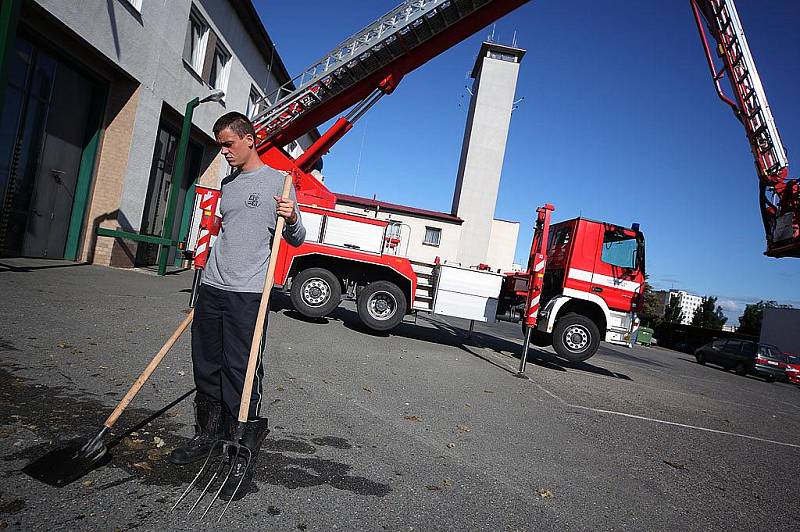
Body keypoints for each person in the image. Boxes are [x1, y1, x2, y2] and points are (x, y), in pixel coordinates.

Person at [169, 112, 305, 501]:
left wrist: (292, 216)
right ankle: (207, 436)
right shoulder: (228, 184)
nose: (224, 151)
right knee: (206, 364)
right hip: (212, 286)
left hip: (248, 293)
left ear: (249, 139)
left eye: (228, 143)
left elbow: (296, 238)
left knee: (241, 370)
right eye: (220, 144)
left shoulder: (279, 181)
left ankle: (239, 449)